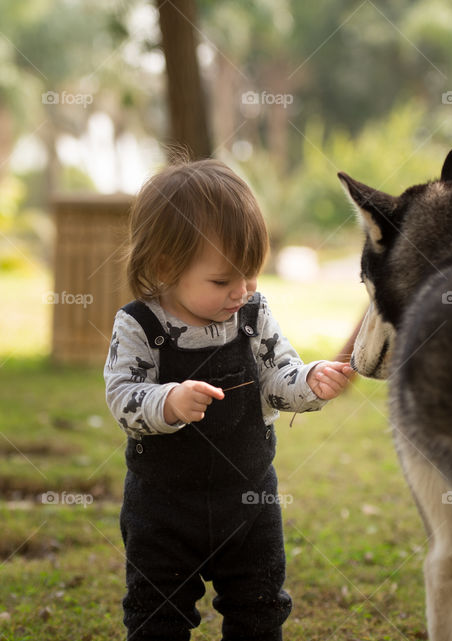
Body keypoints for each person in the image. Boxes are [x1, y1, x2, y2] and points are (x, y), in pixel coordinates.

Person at [104, 158, 353, 641]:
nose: (241, 291)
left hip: (250, 499)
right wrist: (169, 401)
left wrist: (310, 382)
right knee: (157, 616)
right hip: (163, 508)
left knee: (260, 608)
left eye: (251, 275)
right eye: (223, 281)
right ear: (165, 267)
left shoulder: (252, 314)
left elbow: (277, 377)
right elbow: (122, 398)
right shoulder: (140, 325)